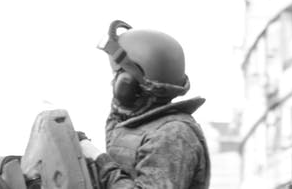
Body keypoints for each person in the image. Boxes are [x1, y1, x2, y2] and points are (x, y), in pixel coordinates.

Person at [79, 20, 211, 189]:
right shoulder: (135, 125)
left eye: (118, 76)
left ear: (128, 84)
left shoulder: (173, 134)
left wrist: (99, 160)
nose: (112, 83)